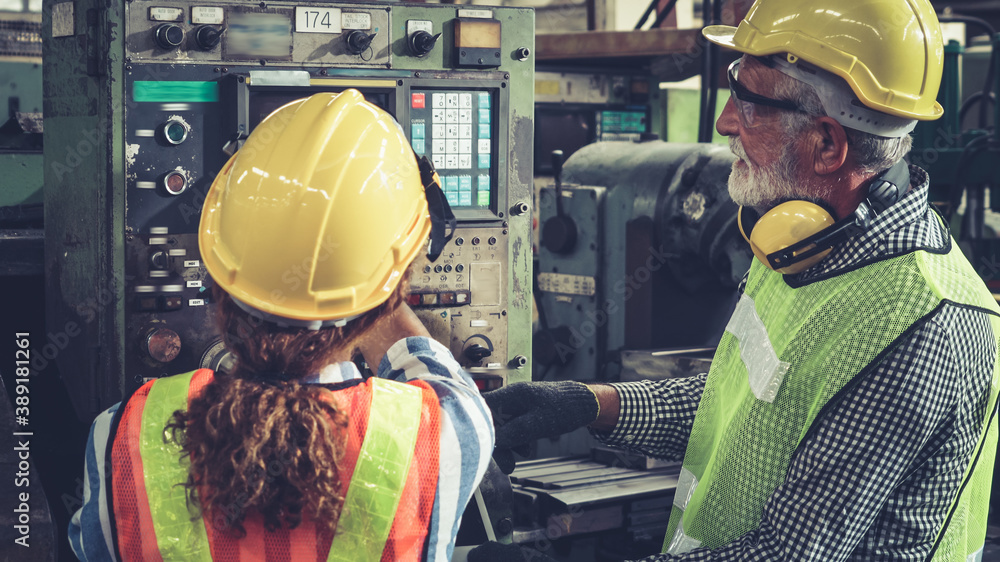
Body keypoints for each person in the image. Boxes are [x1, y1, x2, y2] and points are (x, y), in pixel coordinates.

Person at [471, 0, 1000, 561]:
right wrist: (593, 404)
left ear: (826, 144)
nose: (725, 121)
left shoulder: (919, 329)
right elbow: (753, 404)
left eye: (747, 102)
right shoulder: (801, 244)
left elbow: (783, 554)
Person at [68, 90, 494, 561]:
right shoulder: (447, 433)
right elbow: (439, 375)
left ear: (218, 277)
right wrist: (369, 270)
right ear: (391, 292)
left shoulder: (122, 435)